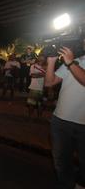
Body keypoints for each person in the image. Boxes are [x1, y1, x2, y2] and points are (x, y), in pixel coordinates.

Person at [44, 46, 85, 189]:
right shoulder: (75, 61)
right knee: (61, 163)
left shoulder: (72, 62)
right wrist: (51, 62)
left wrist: (70, 63)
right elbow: (49, 82)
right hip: (60, 122)